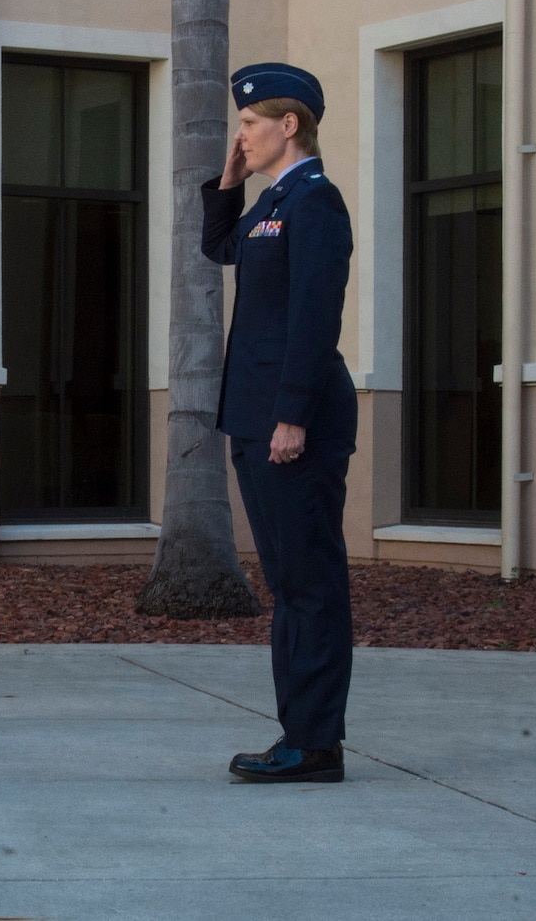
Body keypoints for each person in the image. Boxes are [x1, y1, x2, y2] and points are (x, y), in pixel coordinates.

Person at [202, 63, 357, 783]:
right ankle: (301, 731)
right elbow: (218, 246)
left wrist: (292, 415)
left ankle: (315, 742)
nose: (241, 134)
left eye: (249, 123)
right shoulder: (273, 204)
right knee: (290, 583)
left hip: (292, 423)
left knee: (309, 581)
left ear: (288, 125)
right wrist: (231, 177)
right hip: (256, 418)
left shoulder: (316, 205)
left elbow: (313, 319)